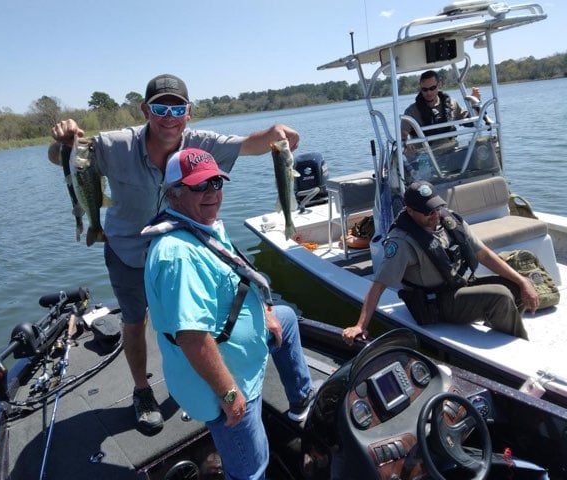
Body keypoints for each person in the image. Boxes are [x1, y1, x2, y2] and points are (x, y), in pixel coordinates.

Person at [48, 73, 300, 434]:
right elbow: (66, 159)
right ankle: (142, 391)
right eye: (160, 108)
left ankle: (200, 382)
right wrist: (61, 141)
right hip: (128, 251)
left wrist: (277, 131)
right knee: (134, 323)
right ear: (145, 110)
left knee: (194, 325)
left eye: (177, 108)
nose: (169, 116)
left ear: (189, 111)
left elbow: (251, 144)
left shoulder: (202, 143)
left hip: (185, 253)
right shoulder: (117, 144)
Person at [141, 148, 315, 480]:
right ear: (173, 193)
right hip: (227, 384)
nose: (212, 193)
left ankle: (300, 402)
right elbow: (192, 339)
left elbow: (239, 276)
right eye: (199, 186)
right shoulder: (178, 254)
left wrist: (264, 310)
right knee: (252, 465)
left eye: (216, 182)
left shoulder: (198, 226)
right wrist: (231, 395)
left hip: (238, 348)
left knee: (287, 318)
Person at [342, 181, 539, 345]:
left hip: (459, 286)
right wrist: (360, 325)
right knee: (501, 296)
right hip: (435, 303)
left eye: (436, 208)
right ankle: (520, 347)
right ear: (410, 211)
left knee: (515, 287)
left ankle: (502, 336)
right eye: (428, 212)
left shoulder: (448, 220)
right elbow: (378, 285)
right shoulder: (402, 242)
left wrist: (523, 281)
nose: (435, 214)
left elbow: (483, 254)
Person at [401, 70, 480, 154]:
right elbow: (403, 133)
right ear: (420, 87)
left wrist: (476, 102)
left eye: (432, 88)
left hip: (451, 153)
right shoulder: (411, 111)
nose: (429, 92)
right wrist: (406, 144)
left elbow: (471, 121)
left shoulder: (451, 104)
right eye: (425, 89)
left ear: (439, 84)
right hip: (425, 157)